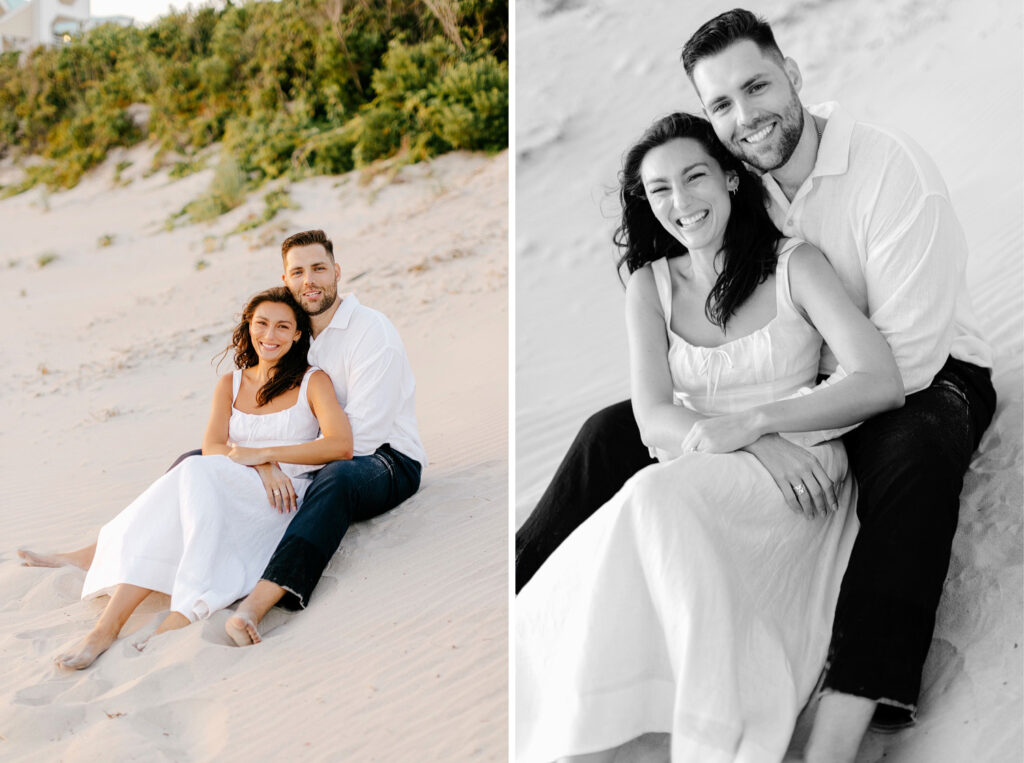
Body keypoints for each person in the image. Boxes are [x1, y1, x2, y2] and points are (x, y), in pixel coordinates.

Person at [516, 9, 996, 761]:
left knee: (912, 452)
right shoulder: (747, 188)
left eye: (757, 86)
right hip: (796, 387)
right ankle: (516, 601)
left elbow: (899, 369)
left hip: (926, 373)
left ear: (793, 75)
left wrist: (758, 423)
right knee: (610, 432)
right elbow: (677, 382)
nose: (745, 116)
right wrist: (759, 432)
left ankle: (856, 702)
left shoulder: (886, 171)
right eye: (721, 105)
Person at [517, 112, 903, 763]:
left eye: (694, 176)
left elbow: (880, 379)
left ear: (729, 177)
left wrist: (760, 422)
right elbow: (652, 416)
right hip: (704, 468)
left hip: (799, 475)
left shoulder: (795, 264)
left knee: (652, 498)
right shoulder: (650, 284)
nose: (681, 201)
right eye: (660, 190)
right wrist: (749, 442)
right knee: (650, 503)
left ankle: (713, 723)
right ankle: (615, 712)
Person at [21, 229, 426, 649]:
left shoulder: (369, 332)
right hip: (315, 451)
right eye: (298, 272)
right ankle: (104, 552)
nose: (310, 280)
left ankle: (260, 600)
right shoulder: (296, 333)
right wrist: (257, 463)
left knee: (335, 479)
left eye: (319, 269)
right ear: (285, 280)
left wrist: (266, 457)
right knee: (194, 462)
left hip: (386, 460)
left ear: (337, 272)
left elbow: (357, 443)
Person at [51, 287, 353, 669]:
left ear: (297, 335)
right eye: (262, 324)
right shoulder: (231, 383)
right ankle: (104, 629)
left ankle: (183, 609)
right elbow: (212, 445)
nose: (270, 335)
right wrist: (259, 465)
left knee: (192, 474)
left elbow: (341, 445)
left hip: (282, 499)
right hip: (233, 482)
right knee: (189, 481)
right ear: (249, 326)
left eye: (282, 327)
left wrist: (266, 455)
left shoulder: (314, 381)